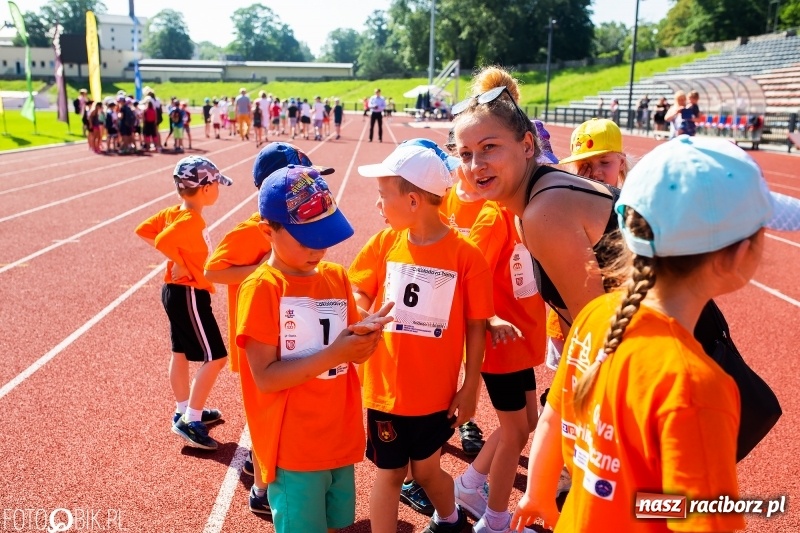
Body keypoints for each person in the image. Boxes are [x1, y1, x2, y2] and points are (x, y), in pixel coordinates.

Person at [511, 136, 800, 532]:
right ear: (736, 254)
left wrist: (538, 495)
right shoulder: (696, 386)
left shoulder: (596, 316)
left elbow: (554, 417)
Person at [237, 165, 391, 533]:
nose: (319, 248)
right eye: (306, 239)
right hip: (294, 449)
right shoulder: (262, 288)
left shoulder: (336, 276)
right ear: (267, 231)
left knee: (337, 526)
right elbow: (266, 377)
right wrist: (337, 353)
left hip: (339, 439)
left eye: (325, 236)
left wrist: (366, 338)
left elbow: (350, 348)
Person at [351, 144, 495, 533]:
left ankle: (449, 518)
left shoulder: (466, 256)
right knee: (390, 474)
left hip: (436, 396)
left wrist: (470, 387)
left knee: (428, 472)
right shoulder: (383, 245)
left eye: (384, 196)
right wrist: (364, 311)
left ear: (413, 200)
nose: (379, 206)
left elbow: (477, 325)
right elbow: (358, 288)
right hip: (387, 391)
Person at [205, 143, 329, 516]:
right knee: (268, 414)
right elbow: (213, 270)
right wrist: (269, 272)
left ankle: (269, 468)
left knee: (282, 412)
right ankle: (263, 484)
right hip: (259, 336)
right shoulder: (249, 232)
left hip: (289, 331)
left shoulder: (300, 231)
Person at [438, 132, 548, 533]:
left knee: (527, 420)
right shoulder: (496, 214)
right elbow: (468, 275)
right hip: (501, 341)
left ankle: (469, 485)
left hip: (520, 338)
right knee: (517, 429)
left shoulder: (527, 210)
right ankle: (497, 520)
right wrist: (490, 320)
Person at [134, 156, 233, 450]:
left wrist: (177, 261)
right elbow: (163, 240)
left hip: (175, 292)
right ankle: (191, 420)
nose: (219, 189)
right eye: (217, 184)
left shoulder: (174, 212)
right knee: (216, 357)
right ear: (204, 188)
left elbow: (144, 229)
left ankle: (183, 408)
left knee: (179, 352)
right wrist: (180, 262)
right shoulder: (189, 218)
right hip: (189, 292)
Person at [559, 118, 631, 187]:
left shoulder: (630, 197)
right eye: (586, 165)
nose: (595, 172)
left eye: (604, 162)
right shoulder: (568, 197)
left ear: (621, 162)